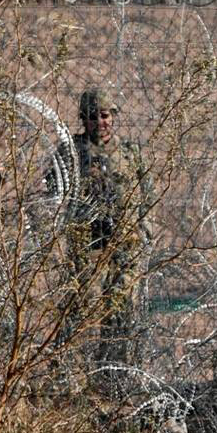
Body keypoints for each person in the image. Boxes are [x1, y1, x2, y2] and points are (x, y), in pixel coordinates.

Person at [47, 87, 154, 372]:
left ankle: (113, 373)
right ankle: (66, 371)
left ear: (113, 117)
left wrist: (144, 231)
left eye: (104, 115)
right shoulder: (71, 152)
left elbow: (147, 194)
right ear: (84, 119)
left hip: (124, 243)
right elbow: (52, 188)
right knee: (81, 305)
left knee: (120, 310)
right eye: (93, 117)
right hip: (88, 244)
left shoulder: (129, 153)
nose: (100, 122)